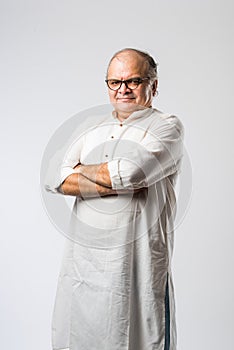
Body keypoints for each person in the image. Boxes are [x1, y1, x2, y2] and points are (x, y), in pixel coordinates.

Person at [45, 48, 184, 350]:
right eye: (114, 82)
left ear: (153, 85)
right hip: (85, 266)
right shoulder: (90, 128)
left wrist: (81, 171)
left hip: (137, 266)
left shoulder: (167, 127)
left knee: (140, 337)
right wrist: (106, 178)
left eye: (134, 80)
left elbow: (133, 173)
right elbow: (55, 177)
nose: (123, 89)